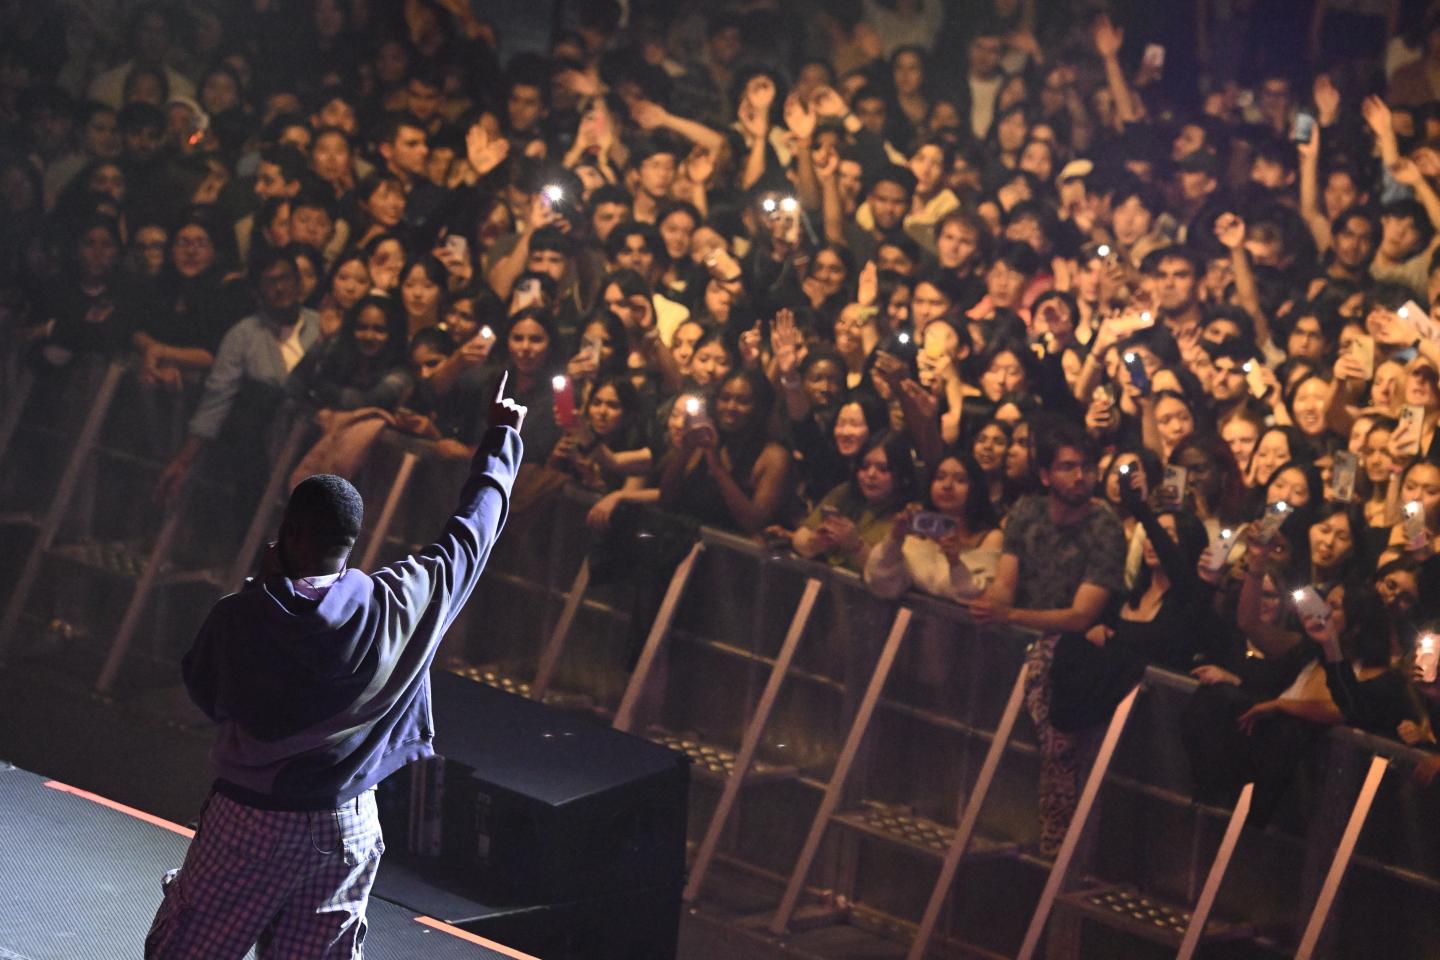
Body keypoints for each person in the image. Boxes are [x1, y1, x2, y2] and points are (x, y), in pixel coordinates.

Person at [144, 373, 525, 959]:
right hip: (346, 825)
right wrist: (502, 437)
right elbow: (473, 533)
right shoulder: (401, 601)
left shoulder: (242, 617)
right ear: (352, 539)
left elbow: (209, 694)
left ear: (288, 534)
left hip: (253, 822)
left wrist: (264, 588)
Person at [970, 420, 1127, 855]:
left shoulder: (1104, 528)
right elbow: (1006, 579)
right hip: (1022, 636)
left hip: (1074, 648)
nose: (1081, 477)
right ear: (1044, 474)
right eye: (1068, 467)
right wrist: (991, 603)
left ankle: (1059, 840)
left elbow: (1081, 615)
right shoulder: (1026, 512)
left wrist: (1010, 613)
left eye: (1087, 467)